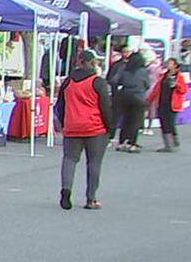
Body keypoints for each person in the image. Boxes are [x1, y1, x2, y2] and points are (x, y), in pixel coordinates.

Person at [54, 48, 112, 211]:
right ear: (92, 62)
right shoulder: (98, 81)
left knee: (69, 159)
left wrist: (65, 122)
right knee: (94, 163)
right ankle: (91, 198)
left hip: (72, 126)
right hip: (95, 128)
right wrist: (109, 128)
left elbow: (60, 105)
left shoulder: (68, 81)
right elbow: (105, 107)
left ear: (78, 62)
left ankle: (66, 190)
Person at [148, 57, 189, 153]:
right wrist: (150, 100)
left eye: (170, 63)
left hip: (172, 104)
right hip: (162, 102)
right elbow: (156, 89)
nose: (168, 65)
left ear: (175, 65)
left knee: (169, 123)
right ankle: (168, 144)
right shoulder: (163, 76)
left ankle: (173, 142)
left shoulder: (180, 77)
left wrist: (176, 85)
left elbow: (184, 90)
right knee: (163, 123)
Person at [112, 50, 150, 152]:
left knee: (125, 119)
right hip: (138, 96)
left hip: (124, 95)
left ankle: (122, 142)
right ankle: (132, 143)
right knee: (135, 121)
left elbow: (114, 80)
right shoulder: (143, 71)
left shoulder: (124, 68)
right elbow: (148, 85)